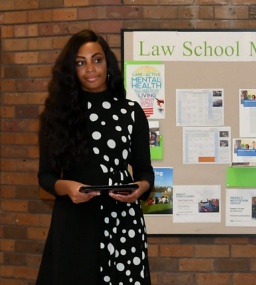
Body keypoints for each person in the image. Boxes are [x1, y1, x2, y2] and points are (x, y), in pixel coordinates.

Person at [37, 30, 154, 285]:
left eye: (97, 60)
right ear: (72, 70)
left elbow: (146, 172)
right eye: (81, 62)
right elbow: (45, 176)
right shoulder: (56, 115)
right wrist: (67, 187)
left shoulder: (131, 112)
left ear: (108, 64)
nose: (91, 68)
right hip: (75, 221)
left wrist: (139, 189)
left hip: (122, 220)